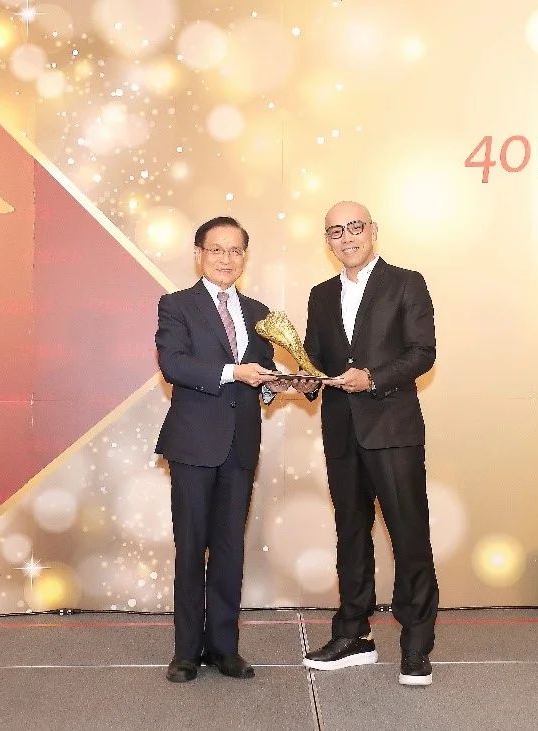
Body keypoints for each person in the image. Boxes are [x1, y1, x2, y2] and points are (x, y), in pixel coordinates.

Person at [297, 200, 440, 686]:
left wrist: (373, 377)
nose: (347, 238)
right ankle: (353, 634)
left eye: (354, 227)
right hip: (341, 430)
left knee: (410, 537)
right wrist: (303, 379)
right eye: (335, 231)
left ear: (373, 231)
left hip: (393, 430)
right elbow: (316, 359)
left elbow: (422, 352)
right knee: (351, 534)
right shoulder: (320, 294)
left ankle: (416, 644)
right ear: (327, 240)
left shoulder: (406, 283)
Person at [154, 216, 284, 683]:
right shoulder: (177, 305)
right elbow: (174, 364)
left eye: (235, 251)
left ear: (244, 257)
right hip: (193, 445)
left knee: (230, 550)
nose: (226, 259)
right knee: (191, 549)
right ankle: (187, 652)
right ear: (199, 255)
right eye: (217, 250)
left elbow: (261, 370)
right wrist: (234, 372)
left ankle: (225, 648)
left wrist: (274, 384)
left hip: (240, 445)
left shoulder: (259, 312)